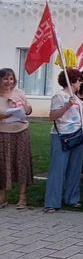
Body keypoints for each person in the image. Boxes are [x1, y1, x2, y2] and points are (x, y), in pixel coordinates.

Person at [45, 68, 83, 212]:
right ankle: (52, 202)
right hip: (62, 136)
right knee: (58, 169)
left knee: (74, 169)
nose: (81, 83)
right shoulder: (59, 96)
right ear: (72, 81)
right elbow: (52, 116)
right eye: (79, 80)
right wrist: (67, 105)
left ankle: (72, 199)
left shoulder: (75, 96)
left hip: (77, 135)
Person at [0, 68, 33, 209]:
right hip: (3, 133)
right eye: (5, 78)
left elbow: (28, 108)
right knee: (3, 165)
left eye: (11, 78)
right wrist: (7, 114)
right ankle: (3, 196)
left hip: (21, 132)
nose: (9, 82)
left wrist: (26, 109)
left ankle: (22, 197)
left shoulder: (19, 93)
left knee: (22, 163)